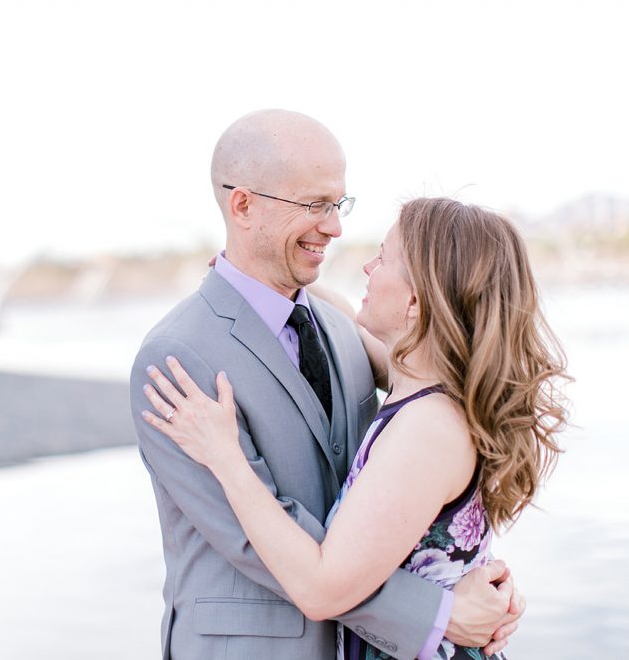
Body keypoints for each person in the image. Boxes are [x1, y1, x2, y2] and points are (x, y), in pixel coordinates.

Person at [129, 110, 523, 660]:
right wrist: (440, 612)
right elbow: (253, 547)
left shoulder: (345, 330)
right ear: (243, 205)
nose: (335, 227)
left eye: (337, 204)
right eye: (314, 205)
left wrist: (469, 568)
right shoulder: (178, 355)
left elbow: (409, 495)